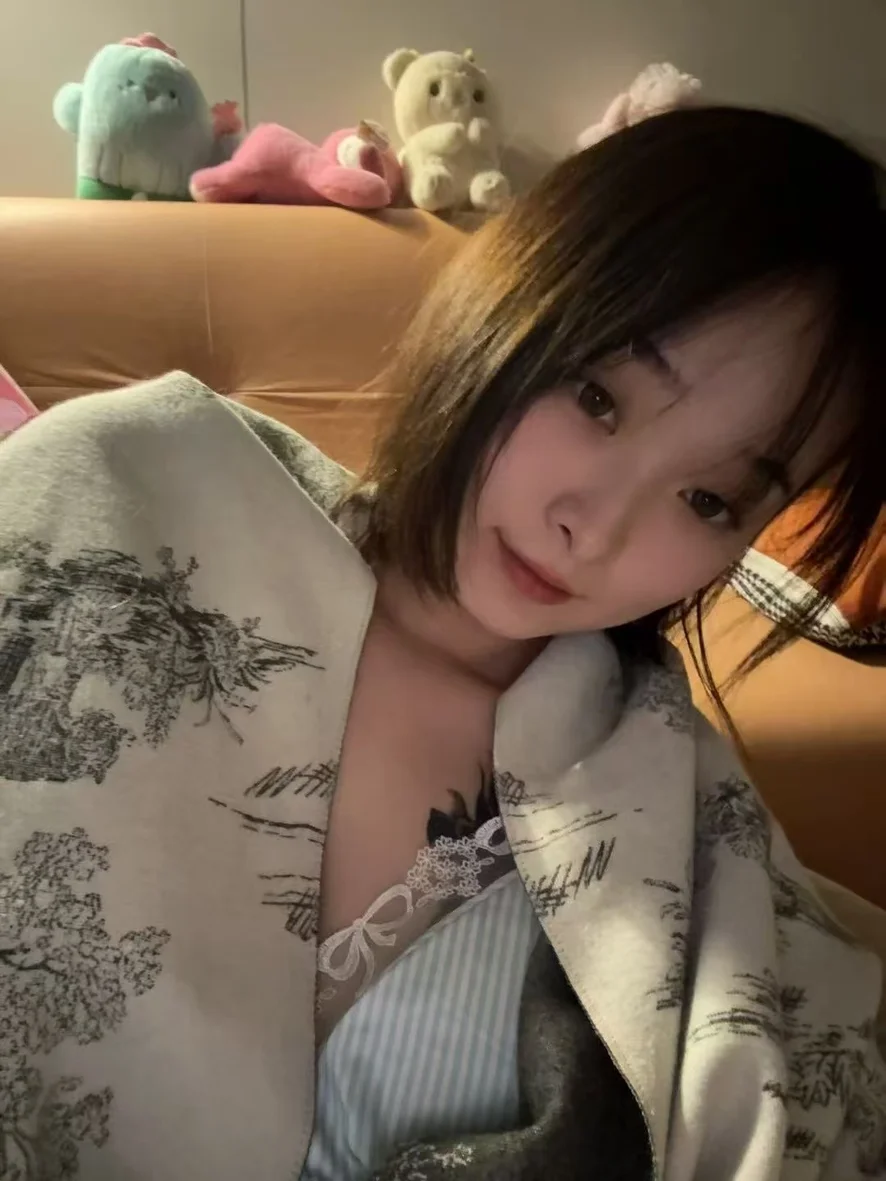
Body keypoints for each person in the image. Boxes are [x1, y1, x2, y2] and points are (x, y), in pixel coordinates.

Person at [0, 106, 883, 1181]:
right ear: (515, 294)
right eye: (597, 397)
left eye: (708, 498)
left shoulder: (672, 794)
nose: (594, 526)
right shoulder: (130, 483)